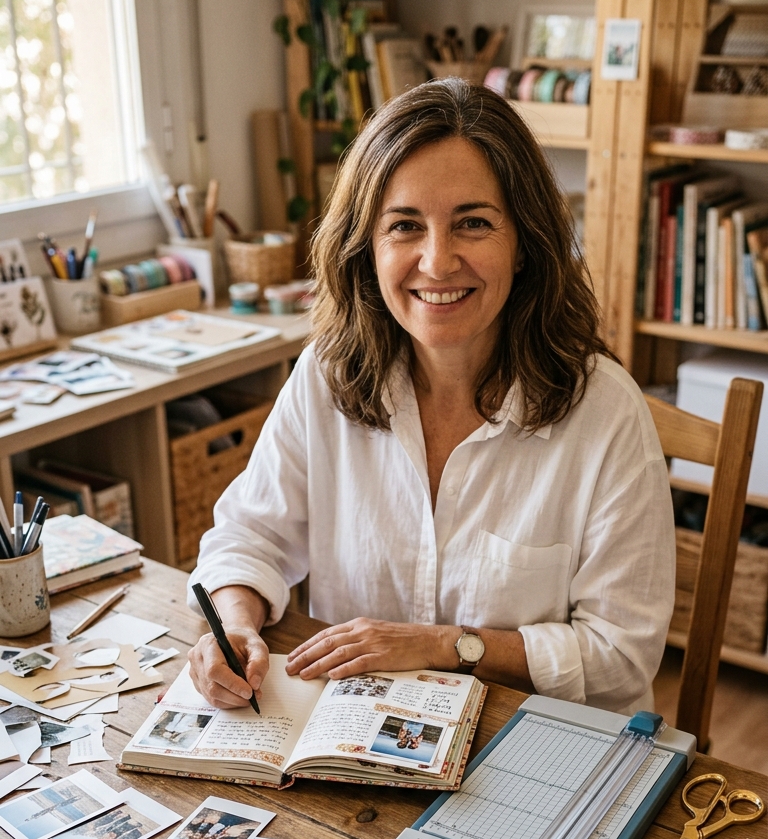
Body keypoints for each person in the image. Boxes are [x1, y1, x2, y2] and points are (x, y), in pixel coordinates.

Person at [188, 80, 674, 716]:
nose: (438, 262)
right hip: (357, 738)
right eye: (405, 226)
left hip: (537, 750)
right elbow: (249, 536)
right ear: (368, 248)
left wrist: (443, 646)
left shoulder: (605, 412)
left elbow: (620, 656)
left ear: (525, 242)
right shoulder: (329, 375)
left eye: (473, 223)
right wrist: (233, 624)